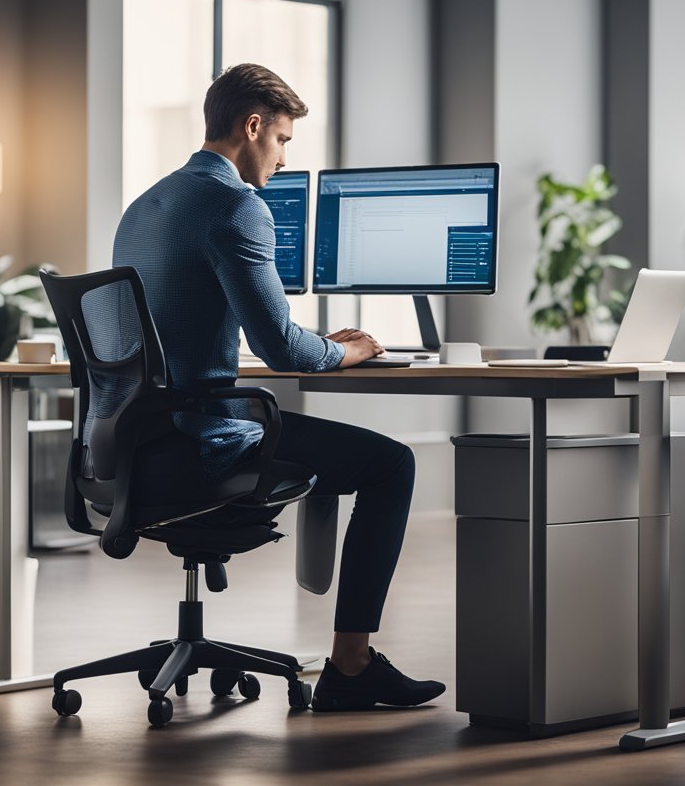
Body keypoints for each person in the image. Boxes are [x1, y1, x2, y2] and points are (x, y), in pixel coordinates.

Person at [112, 63, 444, 711]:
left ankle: (350, 660)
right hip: (199, 442)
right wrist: (350, 349)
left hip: (135, 442)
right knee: (390, 463)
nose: (285, 156)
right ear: (252, 126)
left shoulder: (144, 205)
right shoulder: (237, 205)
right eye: (285, 140)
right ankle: (351, 666)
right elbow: (281, 348)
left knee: (323, 448)